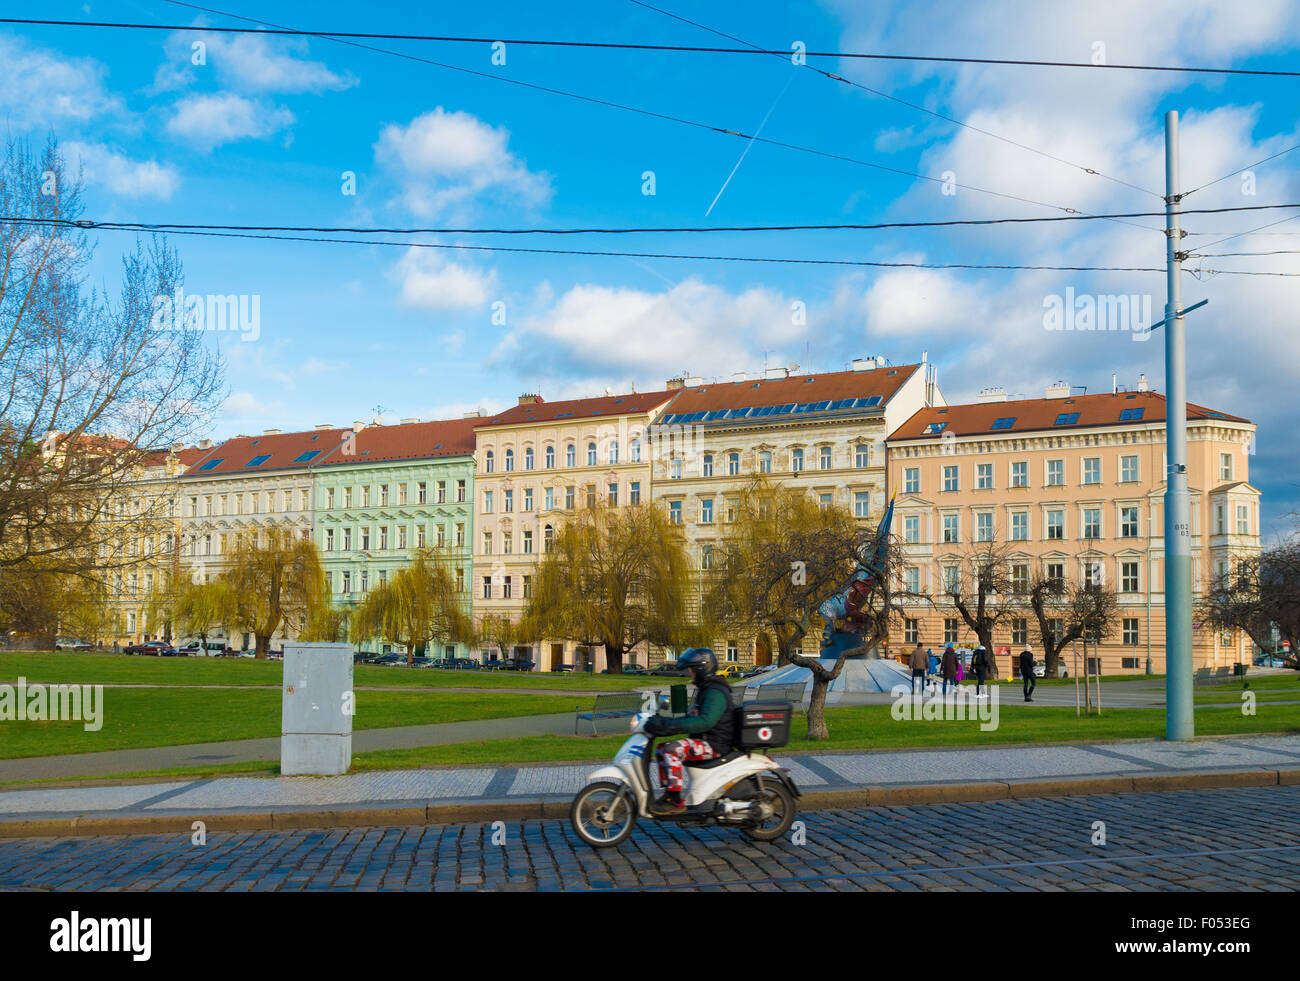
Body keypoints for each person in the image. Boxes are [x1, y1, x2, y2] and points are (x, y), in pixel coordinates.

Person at [644, 648, 736, 814]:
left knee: (671, 750)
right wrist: (667, 723)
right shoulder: (706, 689)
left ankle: (674, 799)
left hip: (714, 743)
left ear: (702, 669)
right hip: (707, 740)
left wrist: (670, 726)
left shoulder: (715, 692)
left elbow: (705, 722)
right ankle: (669, 794)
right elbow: (691, 717)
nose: (690, 673)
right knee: (661, 748)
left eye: (692, 669)